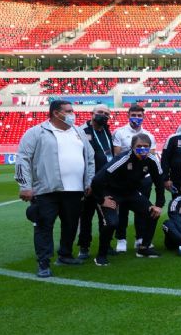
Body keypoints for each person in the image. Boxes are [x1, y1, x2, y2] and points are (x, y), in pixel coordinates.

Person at [15, 100, 95, 277]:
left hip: (75, 190)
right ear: (55, 113)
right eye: (68, 111)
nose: (72, 114)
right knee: (44, 225)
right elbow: (23, 159)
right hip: (46, 190)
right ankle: (43, 262)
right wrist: (25, 186)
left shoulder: (78, 132)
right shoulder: (37, 132)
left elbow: (90, 158)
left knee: (71, 224)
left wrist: (88, 182)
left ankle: (65, 255)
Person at [91, 133, 163, 265]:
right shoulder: (122, 159)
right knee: (112, 223)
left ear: (150, 147)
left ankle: (144, 248)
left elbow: (159, 183)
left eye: (146, 146)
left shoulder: (152, 161)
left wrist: (158, 204)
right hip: (111, 193)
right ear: (132, 147)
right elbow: (97, 180)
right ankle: (101, 255)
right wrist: (102, 200)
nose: (142, 149)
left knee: (153, 213)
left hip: (131, 193)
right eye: (139, 146)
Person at [110, 104, 157, 254]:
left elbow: (151, 157)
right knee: (122, 209)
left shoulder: (149, 135)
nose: (136, 118)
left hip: (143, 178)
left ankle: (140, 238)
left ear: (143, 117)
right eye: (134, 115)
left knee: (142, 208)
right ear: (128, 115)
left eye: (139, 115)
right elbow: (116, 156)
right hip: (124, 178)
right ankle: (121, 239)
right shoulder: (119, 132)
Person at [76, 104, 113, 260]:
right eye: (100, 112)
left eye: (106, 114)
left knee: (106, 215)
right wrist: (87, 182)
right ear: (92, 113)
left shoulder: (107, 131)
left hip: (107, 182)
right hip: (89, 182)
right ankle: (84, 247)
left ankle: (106, 245)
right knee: (86, 216)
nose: (103, 115)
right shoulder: (81, 131)